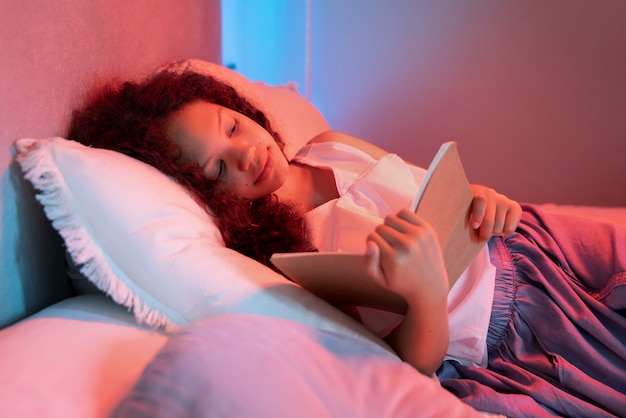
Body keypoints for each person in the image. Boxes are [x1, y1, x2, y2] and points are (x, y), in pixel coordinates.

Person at [68, 64, 626, 417]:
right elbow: (412, 362)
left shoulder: (332, 145)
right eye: (217, 170)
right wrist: (425, 291)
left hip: (526, 252)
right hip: (502, 334)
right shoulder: (291, 257)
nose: (246, 154)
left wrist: (485, 197)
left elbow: (439, 192)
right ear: (206, 197)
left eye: (233, 127)